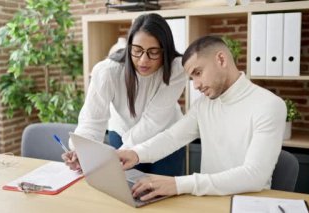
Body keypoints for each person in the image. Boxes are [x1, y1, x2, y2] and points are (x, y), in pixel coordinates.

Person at [118, 35, 287, 200]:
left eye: (198, 73)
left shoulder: (269, 105)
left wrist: (178, 184)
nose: (196, 85)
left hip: (248, 204)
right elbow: (172, 137)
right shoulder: (203, 105)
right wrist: (135, 154)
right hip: (208, 200)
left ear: (221, 60)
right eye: (192, 78)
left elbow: (254, 175)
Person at [62, 13, 187, 176]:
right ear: (129, 47)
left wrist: (113, 156)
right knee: (126, 192)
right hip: (122, 133)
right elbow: (92, 121)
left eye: (153, 52)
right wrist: (82, 151)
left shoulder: (177, 68)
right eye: (137, 50)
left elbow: (154, 120)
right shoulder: (107, 72)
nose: (143, 60)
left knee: (163, 195)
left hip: (165, 137)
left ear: (166, 50)